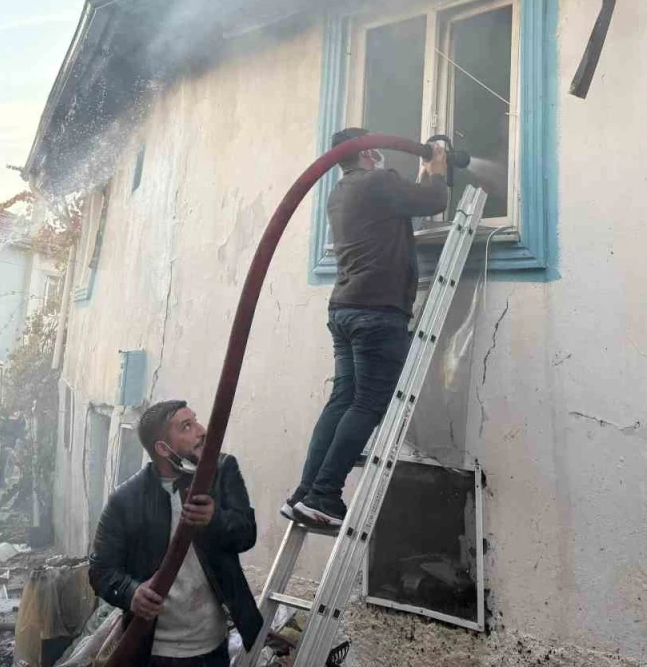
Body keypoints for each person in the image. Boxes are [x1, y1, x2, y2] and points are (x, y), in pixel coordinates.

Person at [287, 127, 449, 528]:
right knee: (368, 404)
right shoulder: (377, 182)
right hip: (377, 312)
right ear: (368, 153)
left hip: (345, 310)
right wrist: (437, 168)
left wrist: (421, 173)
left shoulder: (342, 191)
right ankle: (324, 495)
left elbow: (398, 208)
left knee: (342, 400)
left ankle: (305, 493)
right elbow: (434, 201)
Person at [89, 400, 261, 667]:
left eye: (196, 420)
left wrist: (215, 519)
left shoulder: (223, 471)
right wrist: (131, 592)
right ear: (162, 449)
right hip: (153, 652)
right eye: (186, 426)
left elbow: (247, 534)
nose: (202, 430)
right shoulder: (126, 500)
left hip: (212, 647)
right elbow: (100, 570)